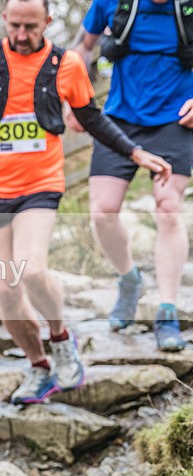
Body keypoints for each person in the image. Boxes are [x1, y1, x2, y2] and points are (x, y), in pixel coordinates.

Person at [0, 0, 172, 404]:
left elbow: (91, 118)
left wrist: (135, 153)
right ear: (4, 20)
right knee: (4, 289)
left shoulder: (66, 64)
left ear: (47, 23)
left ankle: (60, 338)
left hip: (40, 184)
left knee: (32, 270)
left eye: (31, 27)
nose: (21, 35)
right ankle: (39, 367)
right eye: (15, 25)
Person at [65, 0, 193, 352]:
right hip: (119, 117)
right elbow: (82, 48)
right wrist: (74, 98)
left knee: (168, 208)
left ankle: (167, 310)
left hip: (176, 119)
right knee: (102, 212)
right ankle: (129, 280)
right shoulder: (111, 3)